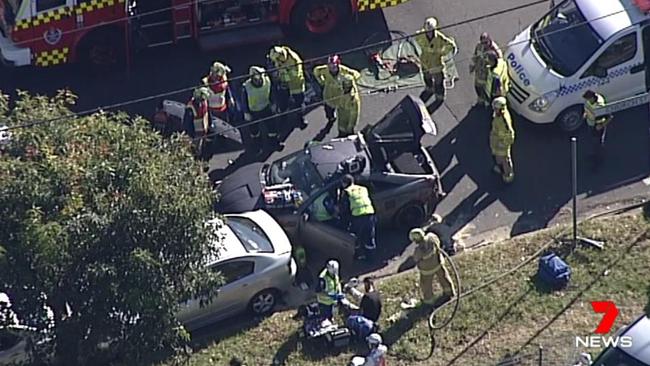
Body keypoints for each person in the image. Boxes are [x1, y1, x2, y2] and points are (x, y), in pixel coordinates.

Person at [241, 65, 283, 155]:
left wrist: (273, 103)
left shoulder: (267, 81)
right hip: (253, 111)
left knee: (272, 127)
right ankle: (257, 146)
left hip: (266, 107)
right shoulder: (246, 86)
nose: (257, 80)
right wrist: (246, 112)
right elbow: (243, 100)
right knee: (254, 131)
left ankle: (274, 143)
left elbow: (271, 92)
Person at [414, 17, 457, 103]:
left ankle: (440, 96)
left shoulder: (440, 38)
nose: (429, 33)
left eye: (430, 31)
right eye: (427, 31)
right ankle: (429, 88)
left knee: (439, 81)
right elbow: (417, 38)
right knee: (427, 77)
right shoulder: (421, 35)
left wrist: (442, 52)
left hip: (436, 64)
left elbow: (451, 45)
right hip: (425, 62)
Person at [410, 228, 456, 306]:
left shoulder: (418, 250)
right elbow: (438, 243)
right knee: (444, 277)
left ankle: (429, 300)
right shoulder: (432, 237)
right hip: (438, 263)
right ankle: (449, 291)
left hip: (427, 270)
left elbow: (416, 259)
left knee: (426, 284)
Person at [268, 45, 308, 129]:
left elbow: (295, 75)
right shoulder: (276, 57)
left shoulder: (294, 60)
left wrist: (283, 75)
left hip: (296, 84)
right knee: (282, 103)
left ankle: (300, 118)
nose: (277, 61)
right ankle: (283, 118)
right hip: (283, 84)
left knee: (298, 103)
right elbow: (273, 68)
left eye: (278, 59)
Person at [313, 55, 361, 125]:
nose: (331, 68)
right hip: (328, 94)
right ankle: (331, 118)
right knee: (328, 109)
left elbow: (356, 74)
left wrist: (349, 80)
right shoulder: (324, 69)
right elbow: (316, 71)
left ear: (338, 64)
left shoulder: (344, 70)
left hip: (340, 95)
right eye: (330, 66)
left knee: (342, 111)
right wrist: (321, 81)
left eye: (334, 66)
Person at [339, 174, 377, 261]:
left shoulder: (346, 192)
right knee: (369, 237)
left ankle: (358, 256)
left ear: (345, 183)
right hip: (370, 214)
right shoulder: (363, 188)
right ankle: (371, 258)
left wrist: (344, 219)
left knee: (355, 238)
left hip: (358, 217)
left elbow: (344, 208)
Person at [470, 32, 502, 105]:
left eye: (485, 42)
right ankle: (480, 98)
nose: (484, 45)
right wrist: (472, 65)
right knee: (477, 86)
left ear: (489, 40)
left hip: (488, 73)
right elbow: (475, 56)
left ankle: (488, 101)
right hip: (479, 70)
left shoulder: (495, 51)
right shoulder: (479, 46)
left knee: (488, 89)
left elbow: (499, 63)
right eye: (482, 43)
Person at [489, 97, 515, 183]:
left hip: (502, 145)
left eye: (496, 108)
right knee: (498, 157)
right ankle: (500, 167)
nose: (494, 110)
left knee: (505, 160)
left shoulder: (504, 122)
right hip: (496, 142)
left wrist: (503, 144)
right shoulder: (498, 116)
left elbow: (510, 135)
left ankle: (508, 175)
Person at [582, 90, 612, 164]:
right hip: (590, 123)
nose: (587, 100)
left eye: (588, 99)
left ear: (592, 98)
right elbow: (587, 108)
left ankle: (599, 158)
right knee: (593, 141)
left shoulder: (599, 106)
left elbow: (610, 117)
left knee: (598, 143)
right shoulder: (589, 101)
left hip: (597, 126)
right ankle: (594, 154)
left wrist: (601, 125)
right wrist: (585, 113)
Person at [184, 87, 213, 158]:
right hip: (195, 132)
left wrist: (210, 124)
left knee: (201, 147)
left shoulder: (205, 102)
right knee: (194, 149)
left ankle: (199, 157)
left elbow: (208, 113)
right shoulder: (190, 107)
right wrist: (191, 134)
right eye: (202, 99)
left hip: (203, 130)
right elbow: (187, 123)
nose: (203, 101)